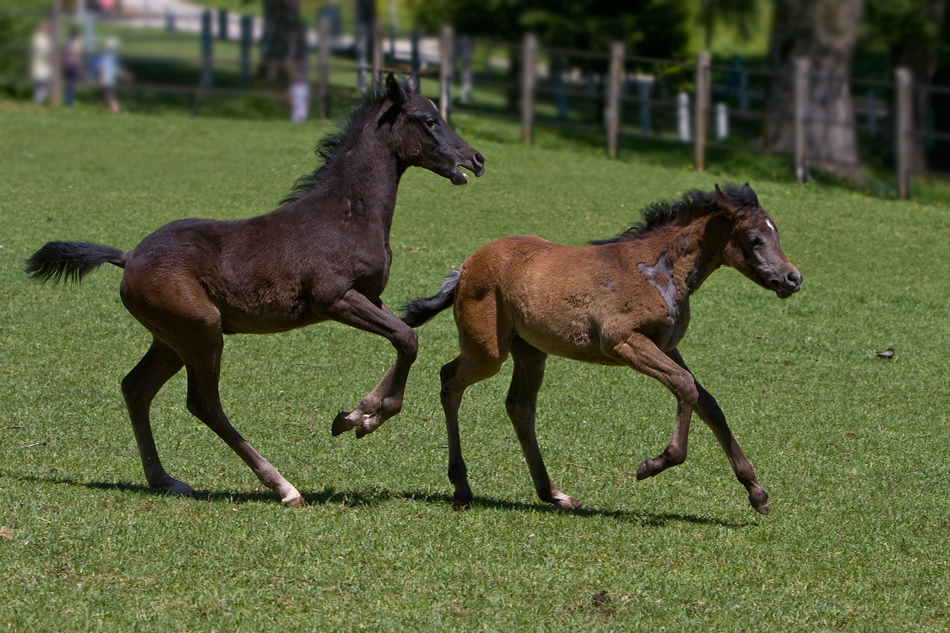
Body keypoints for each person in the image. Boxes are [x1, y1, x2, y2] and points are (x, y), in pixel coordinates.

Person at [96, 37, 121, 114]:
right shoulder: (107, 57)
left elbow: (114, 69)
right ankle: (117, 111)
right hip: (107, 80)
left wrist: (124, 75)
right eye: (115, 47)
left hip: (111, 80)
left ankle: (98, 110)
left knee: (103, 96)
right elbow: (103, 68)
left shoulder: (113, 57)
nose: (117, 49)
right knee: (110, 96)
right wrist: (102, 78)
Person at [30, 20, 53, 104]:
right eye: (47, 28)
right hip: (41, 66)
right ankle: (37, 102)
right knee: (43, 86)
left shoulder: (45, 39)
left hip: (45, 67)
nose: (49, 30)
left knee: (43, 86)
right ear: (43, 29)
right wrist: (51, 58)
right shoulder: (39, 38)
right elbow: (43, 53)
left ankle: (38, 102)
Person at [62, 26, 83, 107]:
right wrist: (81, 67)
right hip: (74, 65)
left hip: (67, 65)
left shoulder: (67, 42)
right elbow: (78, 55)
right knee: (72, 84)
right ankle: (69, 102)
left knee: (68, 84)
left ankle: (67, 101)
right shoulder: (77, 42)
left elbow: (64, 54)